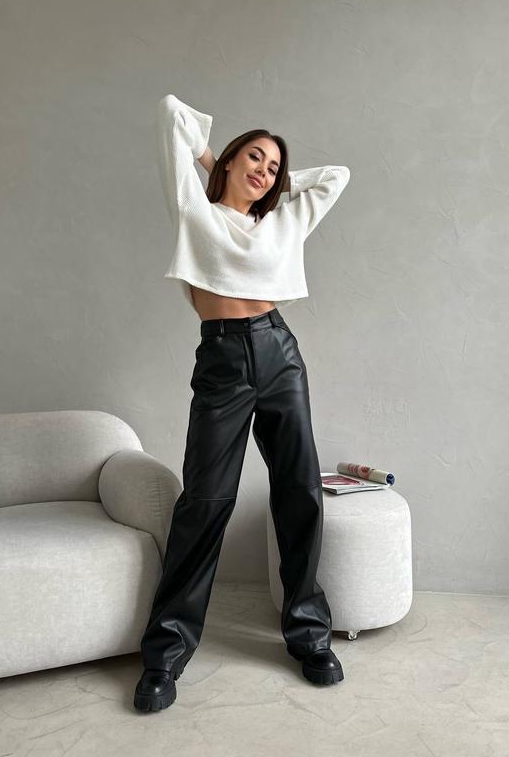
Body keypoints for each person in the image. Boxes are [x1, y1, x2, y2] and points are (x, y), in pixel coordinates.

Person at [134, 94, 351, 712]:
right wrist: (211, 161)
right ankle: (165, 654)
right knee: (205, 500)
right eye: (254, 157)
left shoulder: (284, 220)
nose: (264, 170)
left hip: (279, 352)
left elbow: (336, 176)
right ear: (229, 160)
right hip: (223, 359)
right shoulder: (194, 209)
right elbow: (172, 113)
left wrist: (277, 185)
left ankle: (310, 637)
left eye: (274, 166)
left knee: (299, 491)